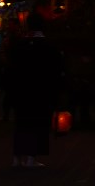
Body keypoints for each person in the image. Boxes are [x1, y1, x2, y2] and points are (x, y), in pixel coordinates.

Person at [8, 12, 64, 168]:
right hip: (41, 91)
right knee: (37, 123)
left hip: (21, 91)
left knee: (21, 123)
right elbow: (56, 71)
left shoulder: (19, 45)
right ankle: (31, 157)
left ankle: (17, 157)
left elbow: (11, 69)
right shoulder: (48, 46)